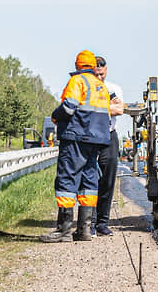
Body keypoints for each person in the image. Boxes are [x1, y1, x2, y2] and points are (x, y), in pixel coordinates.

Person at [41, 50, 111, 242]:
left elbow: (68, 107)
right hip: (96, 141)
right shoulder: (101, 86)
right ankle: (84, 230)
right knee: (88, 182)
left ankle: (63, 230)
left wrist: (55, 116)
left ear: (78, 65)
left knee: (67, 180)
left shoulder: (78, 81)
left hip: (76, 138)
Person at [92, 55, 124, 236]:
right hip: (90, 137)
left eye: (101, 74)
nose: (99, 78)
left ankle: (102, 222)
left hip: (109, 136)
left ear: (106, 71)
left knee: (108, 180)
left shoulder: (114, 88)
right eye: (96, 74)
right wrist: (106, 106)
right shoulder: (86, 88)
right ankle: (90, 221)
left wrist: (95, 107)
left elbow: (118, 110)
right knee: (90, 180)